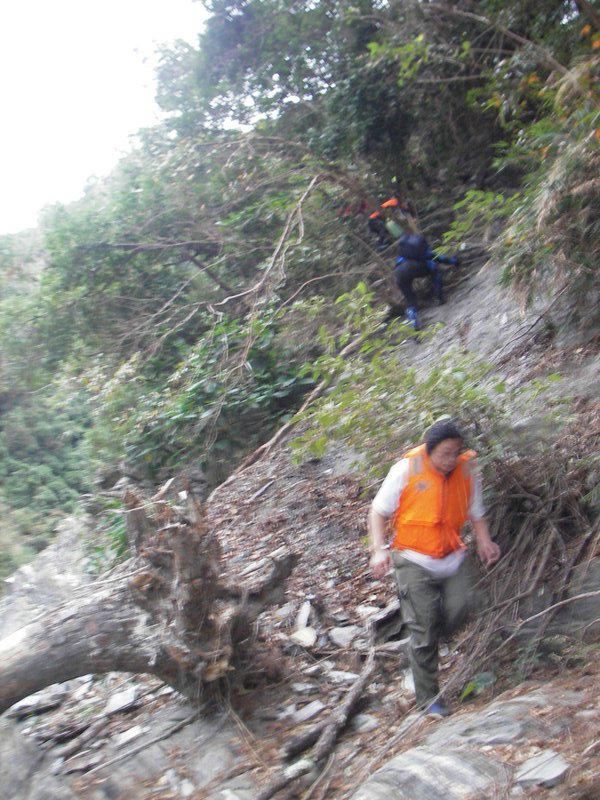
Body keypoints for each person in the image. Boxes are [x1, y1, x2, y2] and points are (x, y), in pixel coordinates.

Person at [368, 419, 500, 717]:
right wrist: (378, 550)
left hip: (452, 555)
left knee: (462, 607)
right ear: (429, 450)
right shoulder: (407, 469)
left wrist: (485, 541)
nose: (450, 460)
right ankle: (429, 700)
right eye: (444, 453)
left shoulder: (466, 470)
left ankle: (422, 642)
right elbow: (377, 511)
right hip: (413, 558)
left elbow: (476, 511)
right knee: (424, 629)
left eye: (455, 452)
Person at [393, 233, 459, 330]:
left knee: (410, 299)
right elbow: (438, 258)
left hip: (398, 273)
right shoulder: (420, 247)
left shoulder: (403, 251)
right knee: (435, 271)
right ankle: (439, 297)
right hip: (414, 267)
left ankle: (414, 324)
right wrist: (455, 261)